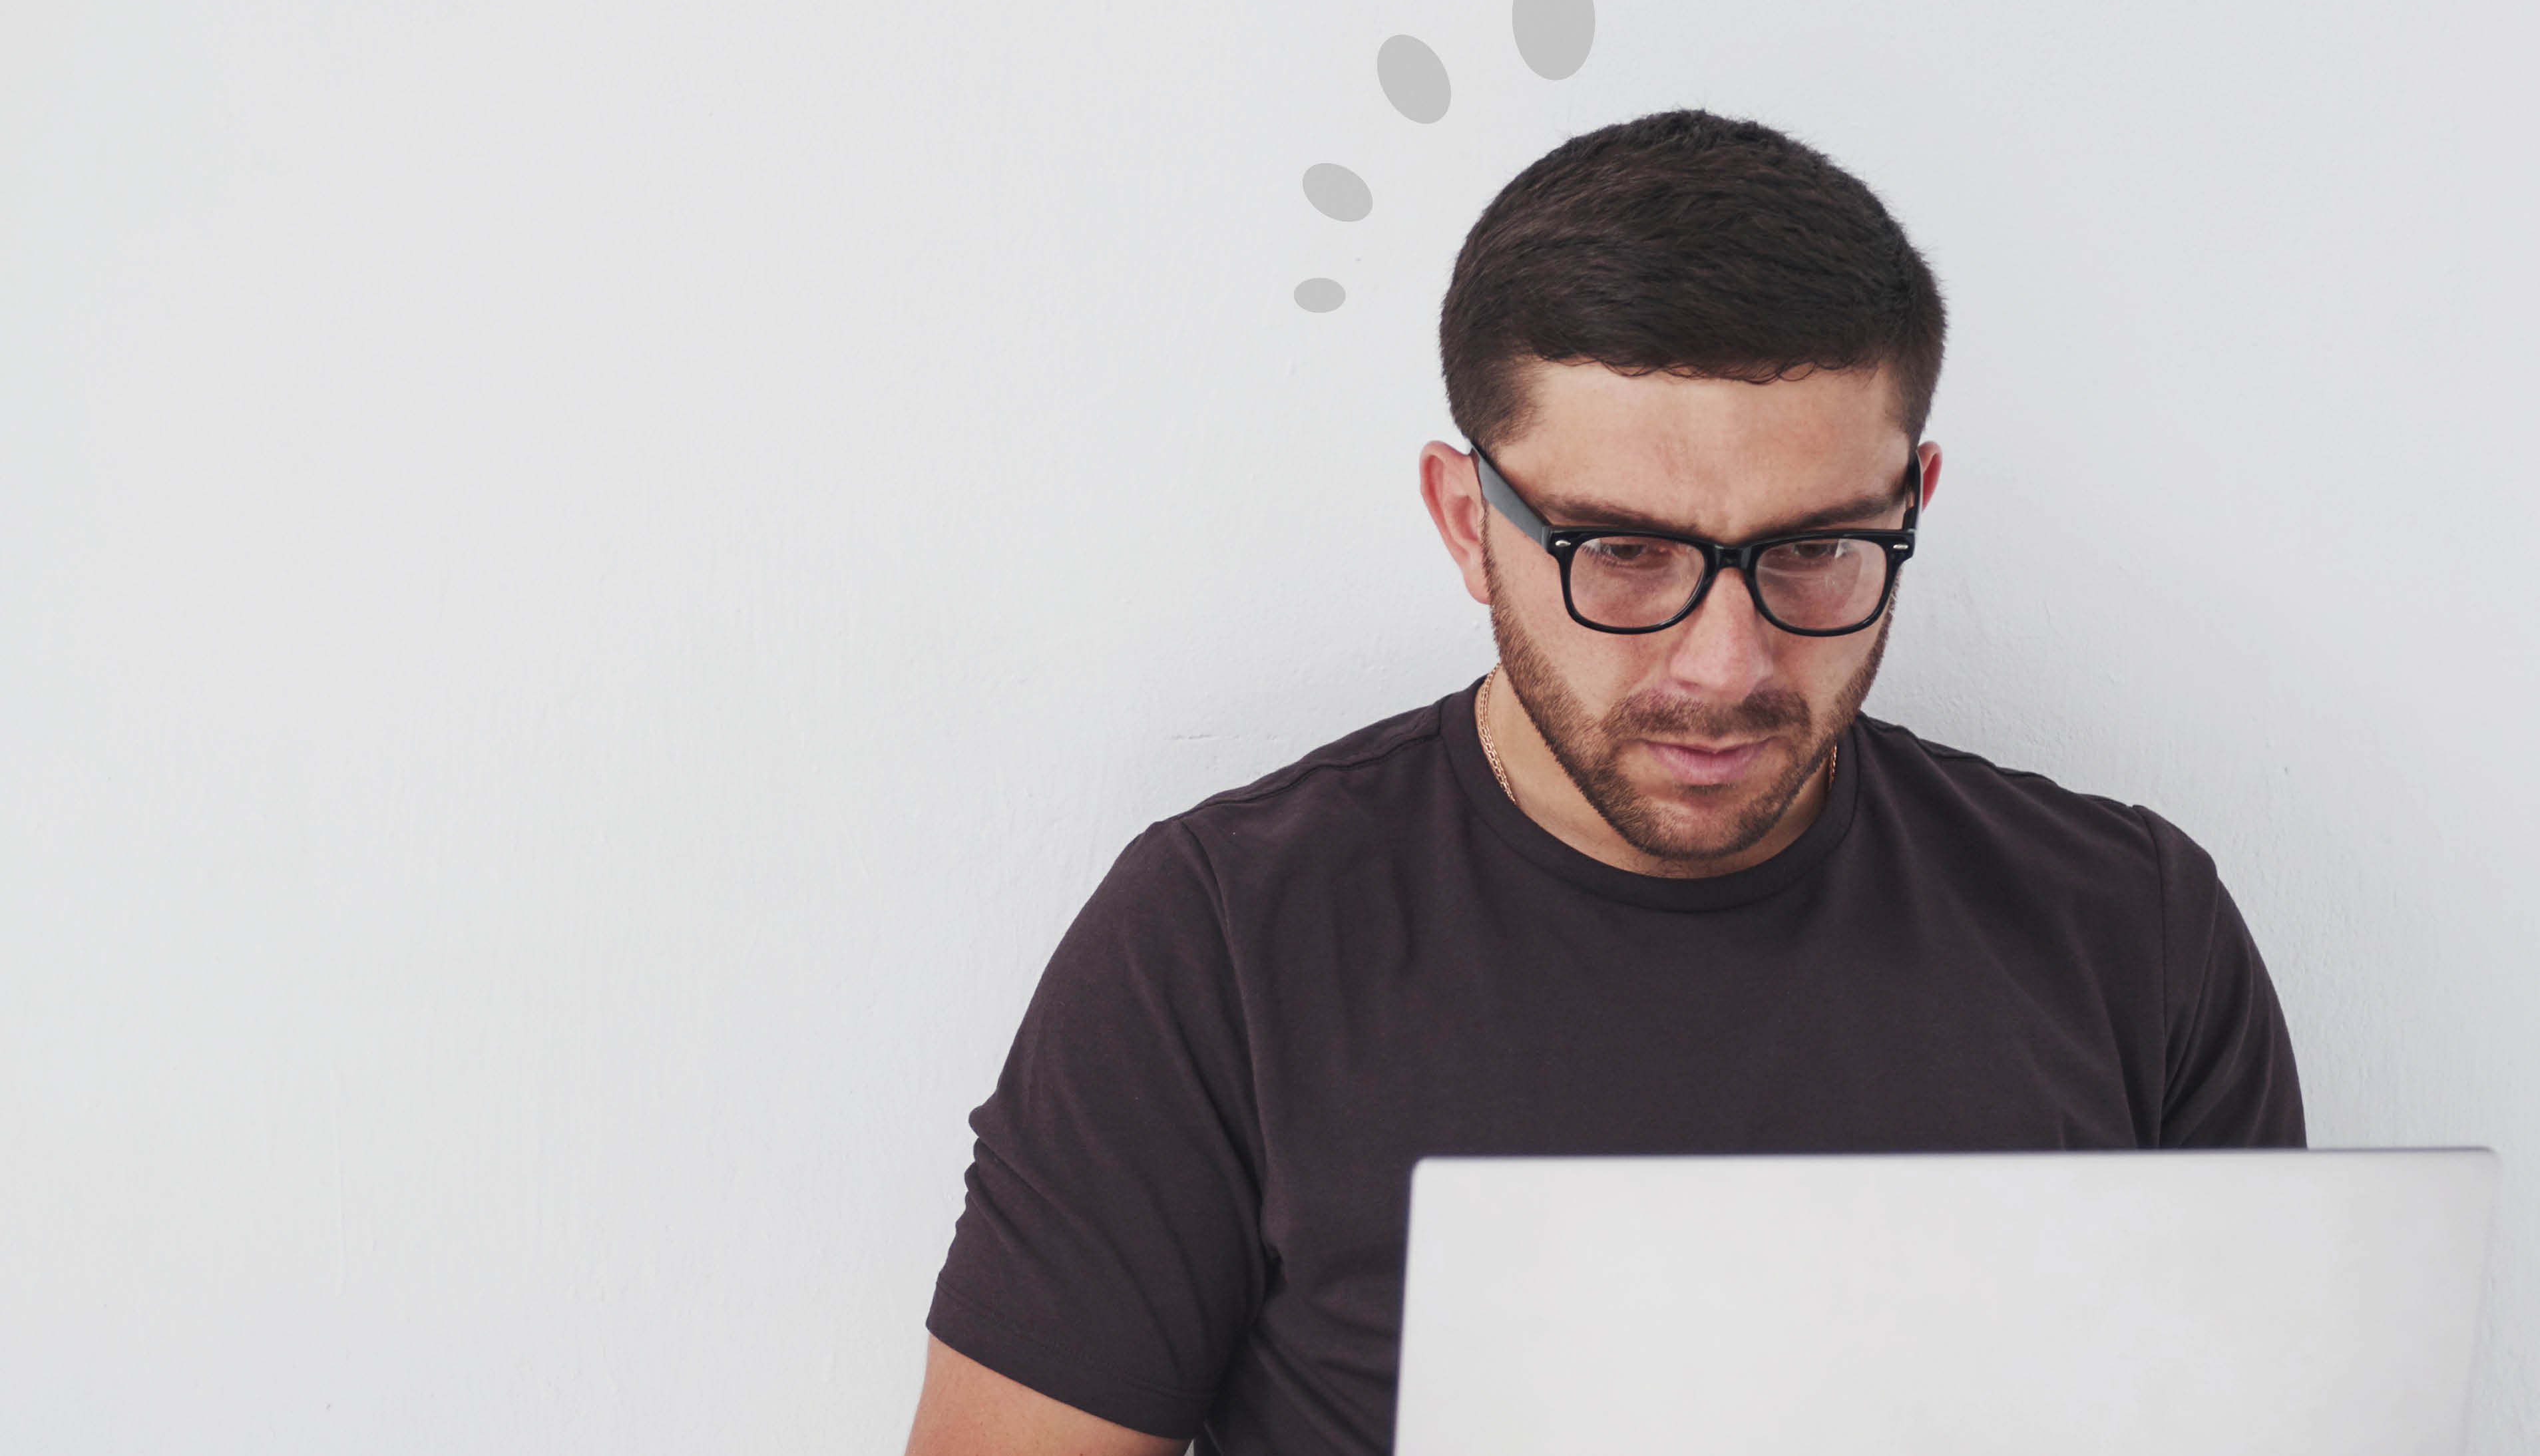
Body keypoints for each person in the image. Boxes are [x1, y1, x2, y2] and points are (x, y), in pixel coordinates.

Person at [903, 110, 2305, 1456]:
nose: (1723, 663)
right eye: (1623, 554)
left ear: (1910, 503)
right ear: (1468, 522)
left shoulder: (2134, 931)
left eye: (1812, 549)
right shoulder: (1219, 937)